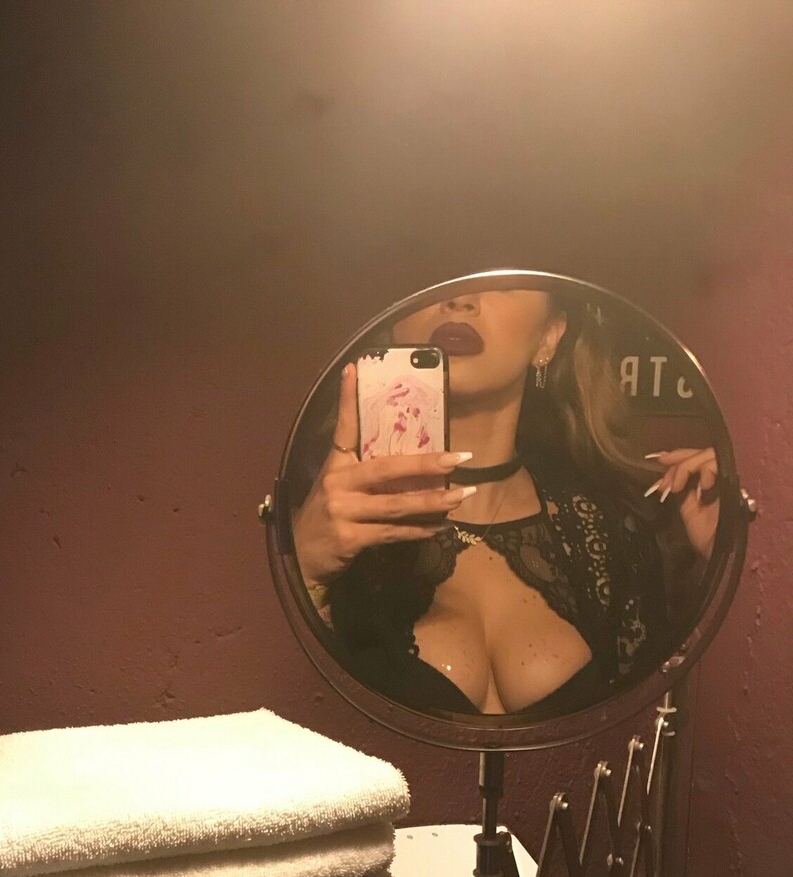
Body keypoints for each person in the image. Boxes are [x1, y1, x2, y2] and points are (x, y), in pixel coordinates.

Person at [291, 287, 719, 718]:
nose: (460, 299)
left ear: (549, 337)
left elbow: (655, 727)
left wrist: (719, 559)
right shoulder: (321, 513)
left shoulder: (609, 532)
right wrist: (303, 569)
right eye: (440, 275)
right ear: (393, 322)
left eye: (503, 282)